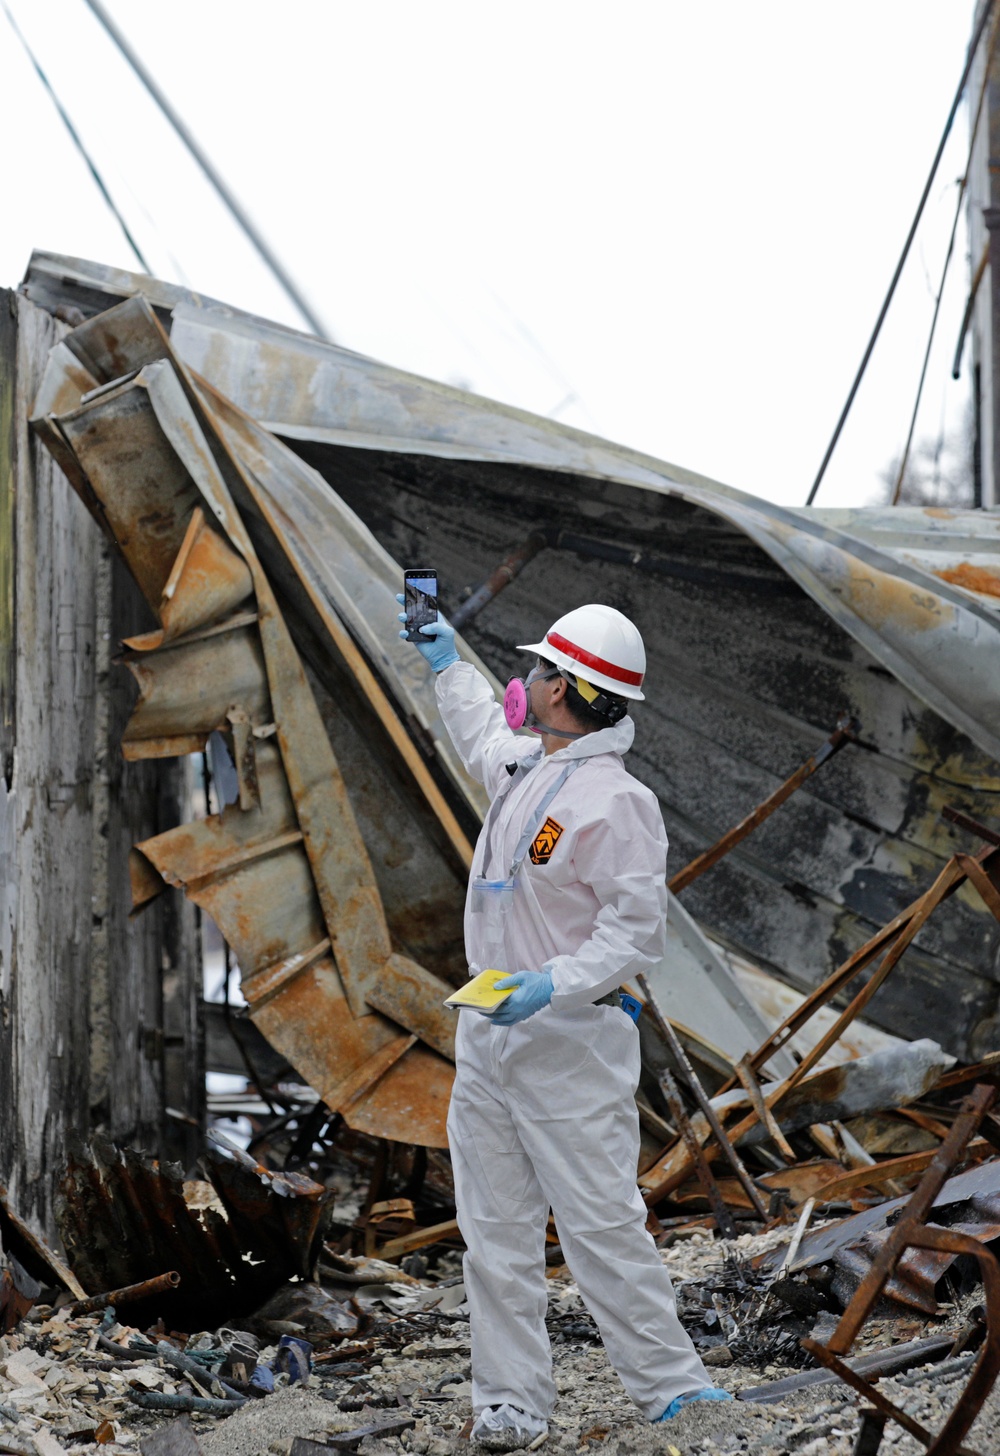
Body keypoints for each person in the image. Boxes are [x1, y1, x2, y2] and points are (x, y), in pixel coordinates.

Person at [398, 599, 730, 1452]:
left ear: (568, 690)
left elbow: (634, 935)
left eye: (542, 670)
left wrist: (553, 985)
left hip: (571, 1042)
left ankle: (672, 1389)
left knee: (600, 1223)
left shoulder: (617, 804)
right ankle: (510, 1399)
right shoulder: (528, 766)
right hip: (492, 1035)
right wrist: (446, 662)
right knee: (494, 1234)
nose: (529, 681)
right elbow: (480, 730)